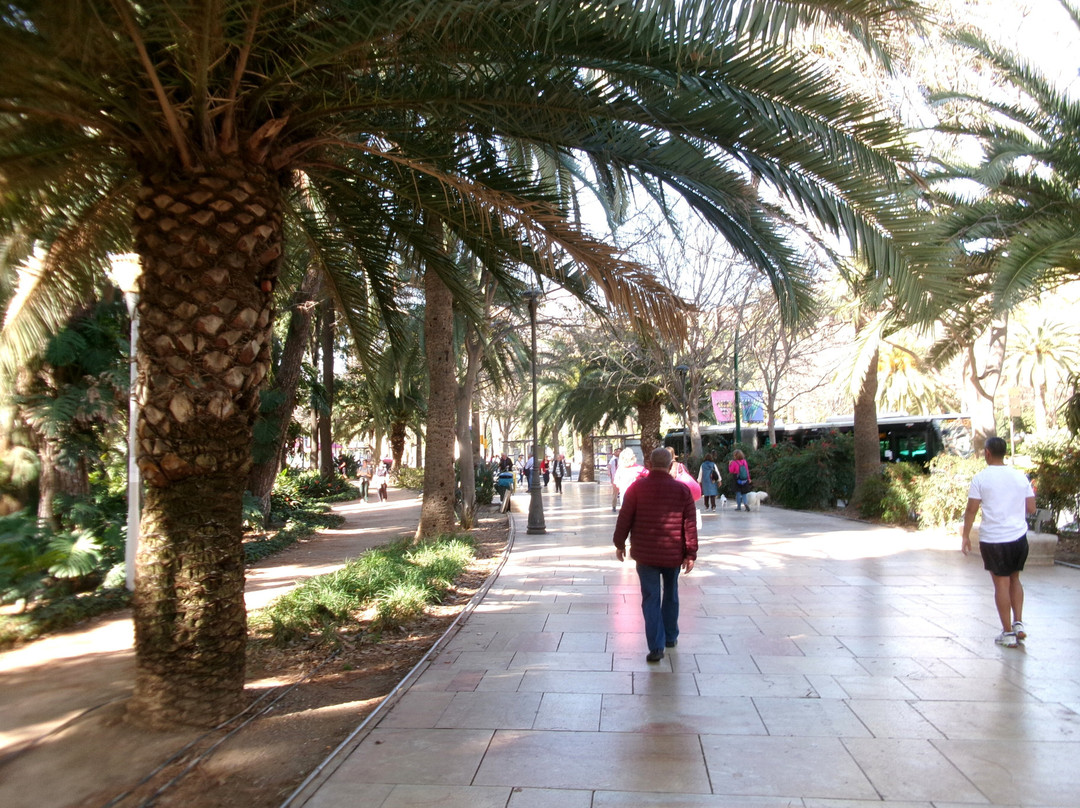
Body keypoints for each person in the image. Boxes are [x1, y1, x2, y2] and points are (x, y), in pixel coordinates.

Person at [612, 447, 698, 662]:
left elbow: (624, 518)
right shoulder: (682, 490)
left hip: (645, 554)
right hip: (673, 554)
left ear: (649, 464)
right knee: (671, 594)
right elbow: (690, 525)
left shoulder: (636, 489)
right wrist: (691, 553)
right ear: (670, 465)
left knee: (650, 598)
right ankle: (670, 637)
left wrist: (619, 543)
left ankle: (656, 646)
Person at [961, 436, 1036, 647]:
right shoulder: (1020, 477)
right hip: (1018, 537)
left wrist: (966, 536)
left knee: (1000, 584)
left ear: (987, 453)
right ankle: (1018, 623)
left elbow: (971, 510)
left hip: (994, 539)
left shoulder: (980, 479)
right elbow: (1031, 508)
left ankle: (1007, 632)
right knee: (1015, 579)